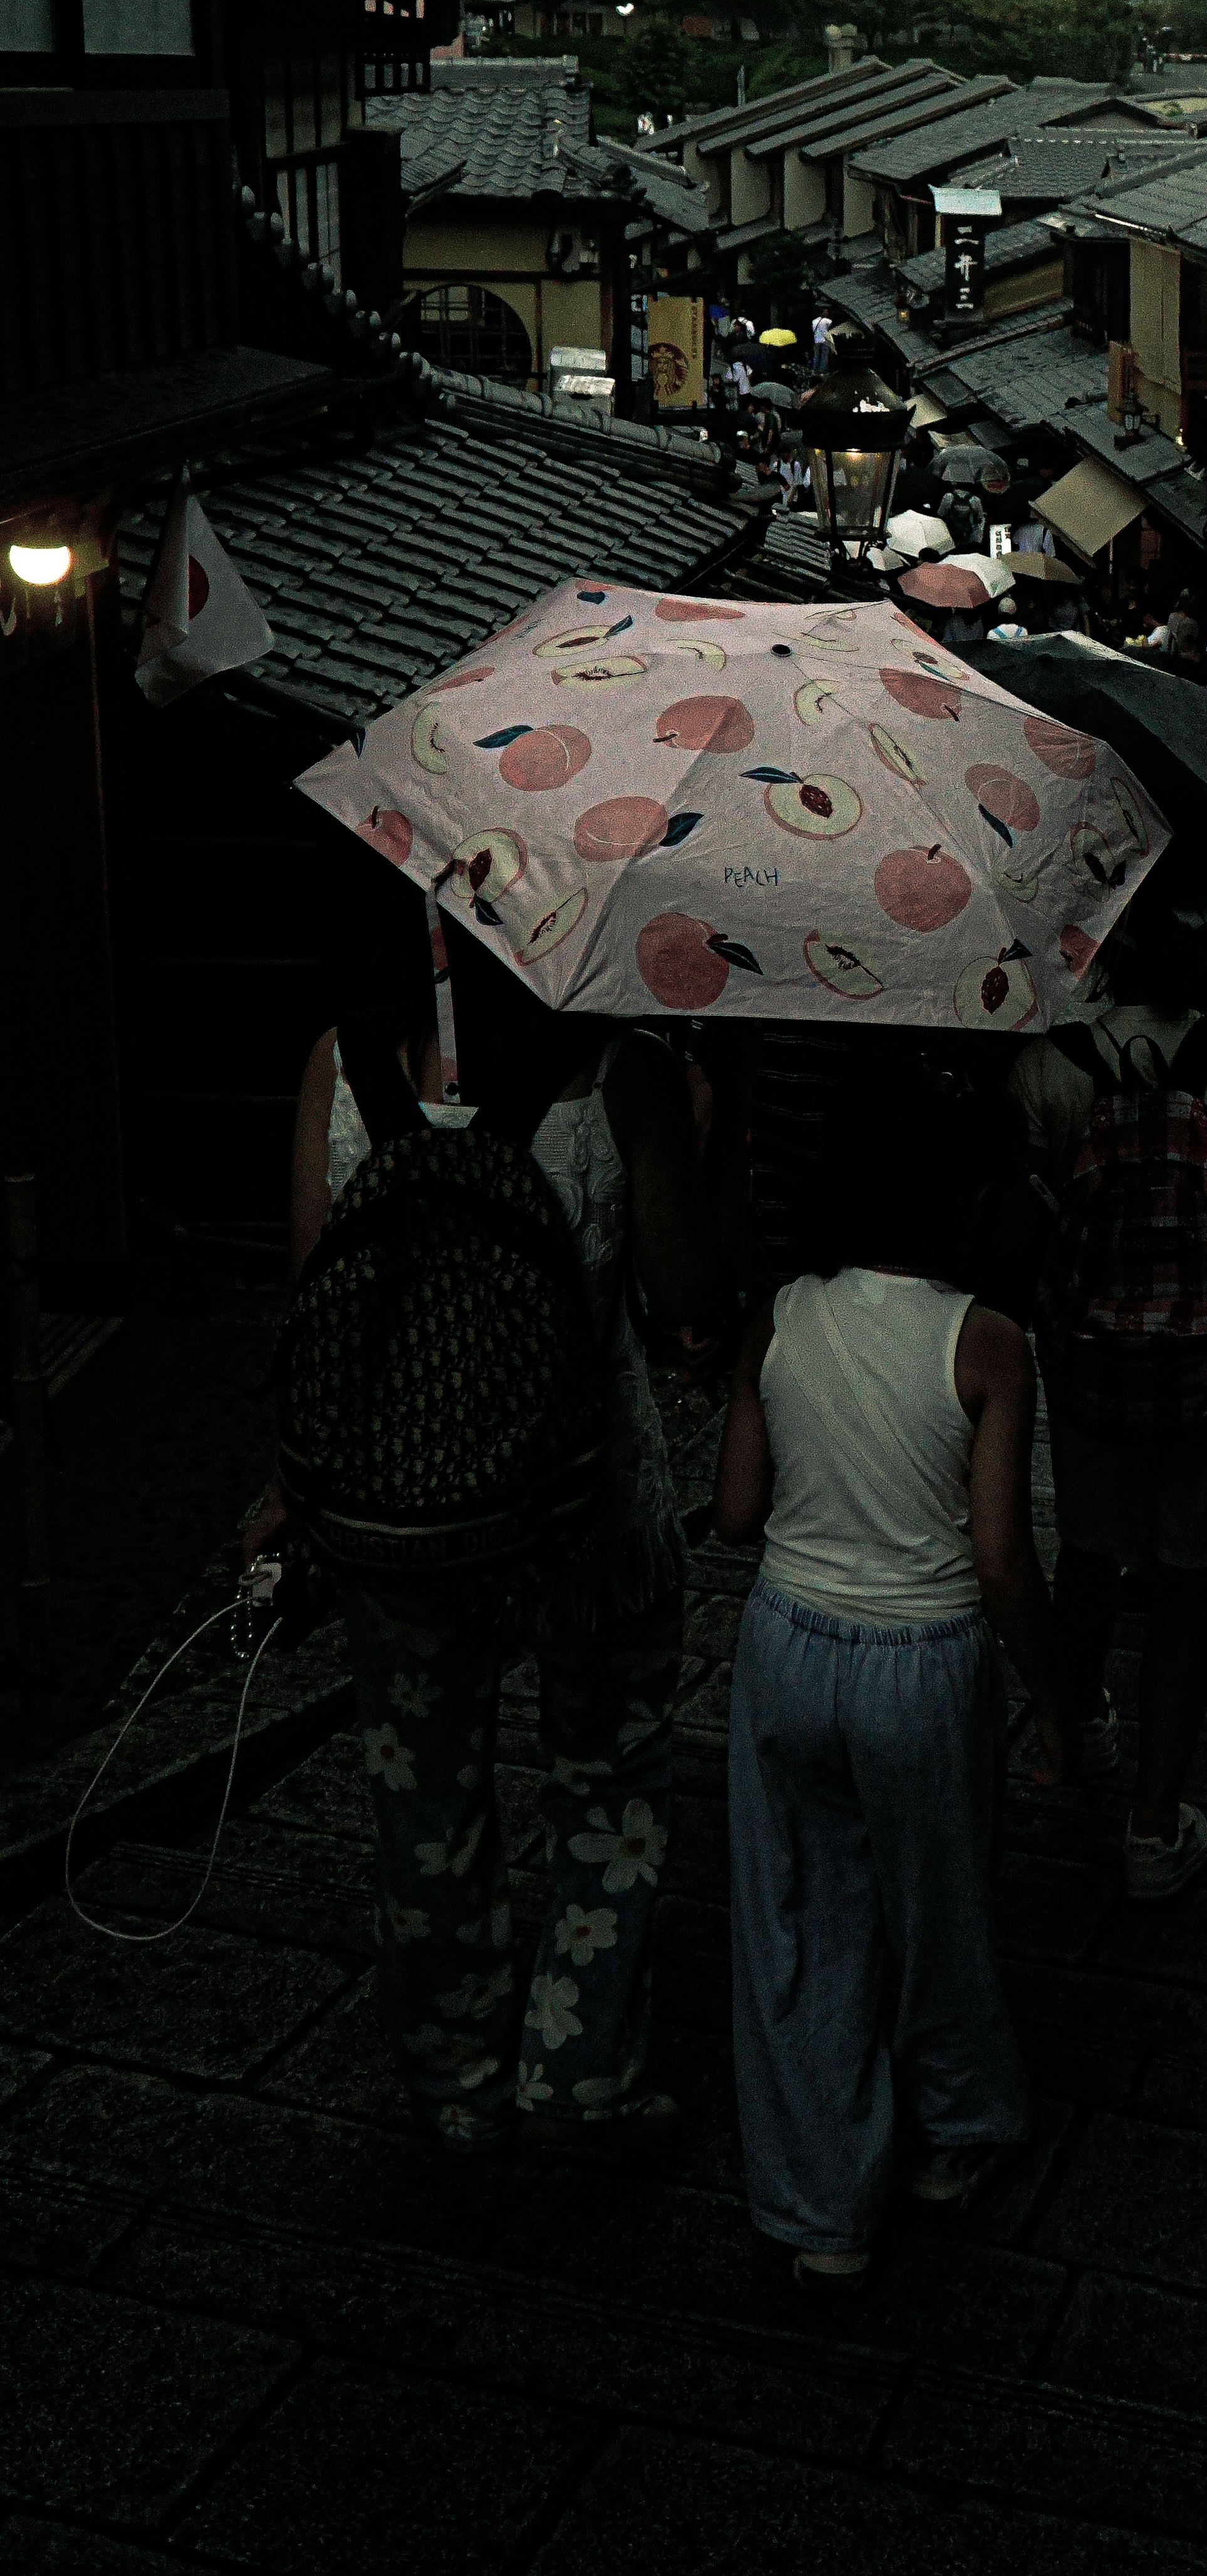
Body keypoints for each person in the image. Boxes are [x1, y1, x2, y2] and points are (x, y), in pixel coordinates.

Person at [254, 887, 714, 2158]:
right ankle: (579, 2069)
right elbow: (684, 1297)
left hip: (400, 1501)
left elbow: (315, 1296)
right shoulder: (624, 1076)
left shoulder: (340, 1067)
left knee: (426, 1792)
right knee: (608, 1780)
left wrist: (293, 1486)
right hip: (590, 1503)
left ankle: (458, 2070)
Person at [712, 1110, 1063, 2283]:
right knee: (940, 1911)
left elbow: (736, 1512)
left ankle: (821, 2212)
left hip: (785, 1644)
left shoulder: (779, 1313)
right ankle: (952, 2137)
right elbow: (1004, 1558)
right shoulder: (990, 1343)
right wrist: (1055, 1692)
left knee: (798, 1922)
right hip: (921, 1654)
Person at [1010, 880, 1207, 1898]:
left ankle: (1077, 1728)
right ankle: (1154, 1824)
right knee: (1191, 1582)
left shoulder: (1048, 1065)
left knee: (1092, 1552)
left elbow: (1031, 1221)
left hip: (1092, 1363)